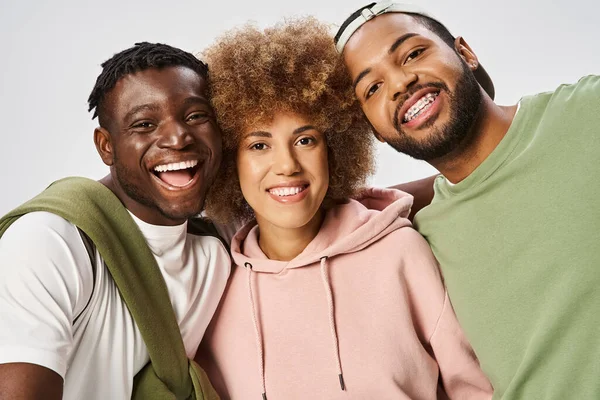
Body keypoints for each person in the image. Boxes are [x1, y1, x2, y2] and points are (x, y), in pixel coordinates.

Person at [195, 18, 492, 400]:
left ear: (334, 148)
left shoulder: (399, 252)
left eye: (305, 139)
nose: (286, 164)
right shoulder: (215, 285)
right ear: (229, 159)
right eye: (258, 145)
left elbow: (473, 390)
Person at [335, 2, 600, 398]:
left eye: (412, 54)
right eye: (372, 88)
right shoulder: (414, 237)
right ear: (373, 129)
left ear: (466, 53)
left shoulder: (586, 112)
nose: (399, 84)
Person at [0, 42, 229, 399]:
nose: (177, 137)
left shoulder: (217, 250)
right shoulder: (51, 240)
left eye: (196, 116)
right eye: (144, 124)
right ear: (106, 146)